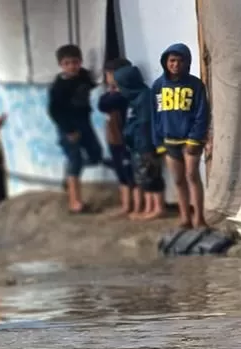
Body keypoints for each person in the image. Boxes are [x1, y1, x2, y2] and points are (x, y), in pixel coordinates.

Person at [152, 43, 210, 229]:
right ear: (165, 62)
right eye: (172, 60)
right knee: (178, 180)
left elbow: (202, 114)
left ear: (187, 62)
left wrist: (195, 138)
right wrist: (159, 143)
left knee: (192, 176)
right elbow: (155, 116)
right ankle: (185, 218)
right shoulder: (158, 85)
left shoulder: (195, 85)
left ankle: (199, 218)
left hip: (190, 141)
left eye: (179, 60)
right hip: (170, 141)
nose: (175, 64)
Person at [48, 44, 103, 213]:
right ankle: (75, 202)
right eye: (67, 63)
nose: (72, 66)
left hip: (84, 123)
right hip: (68, 127)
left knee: (96, 155)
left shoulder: (83, 76)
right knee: (75, 160)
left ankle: (69, 175)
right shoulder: (58, 86)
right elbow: (54, 111)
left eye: (75, 62)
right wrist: (69, 130)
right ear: (61, 65)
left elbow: (92, 83)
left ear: (80, 62)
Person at [114, 63, 167, 221]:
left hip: (146, 146)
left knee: (152, 176)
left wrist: (146, 147)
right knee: (144, 178)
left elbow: (145, 124)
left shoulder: (144, 97)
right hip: (138, 145)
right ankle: (149, 207)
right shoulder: (134, 98)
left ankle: (158, 208)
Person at [98, 58, 139, 218]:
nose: (108, 77)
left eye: (111, 74)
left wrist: (113, 93)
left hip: (125, 139)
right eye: (107, 74)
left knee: (131, 174)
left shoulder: (125, 94)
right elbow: (102, 103)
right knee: (120, 172)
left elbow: (105, 104)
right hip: (113, 138)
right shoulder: (112, 93)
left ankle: (136, 207)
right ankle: (126, 205)